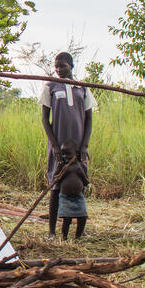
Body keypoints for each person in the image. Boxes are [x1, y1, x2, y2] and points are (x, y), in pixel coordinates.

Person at [39, 52, 95, 237]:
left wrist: (84, 146)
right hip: (59, 144)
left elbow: (88, 119)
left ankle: (81, 228)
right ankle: (52, 231)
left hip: (78, 144)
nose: (58, 70)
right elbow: (45, 119)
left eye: (62, 66)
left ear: (71, 65)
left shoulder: (83, 87)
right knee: (56, 184)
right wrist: (54, 145)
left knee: (78, 181)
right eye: (56, 66)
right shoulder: (50, 86)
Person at [56, 138, 89, 240]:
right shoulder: (62, 167)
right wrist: (62, 171)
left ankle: (78, 237)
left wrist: (81, 173)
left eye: (68, 154)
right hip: (65, 197)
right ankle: (64, 237)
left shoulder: (80, 167)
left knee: (83, 217)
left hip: (78, 197)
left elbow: (86, 182)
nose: (65, 157)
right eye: (63, 154)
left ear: (76, 155)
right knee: (67, 219)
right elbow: (55, 179)